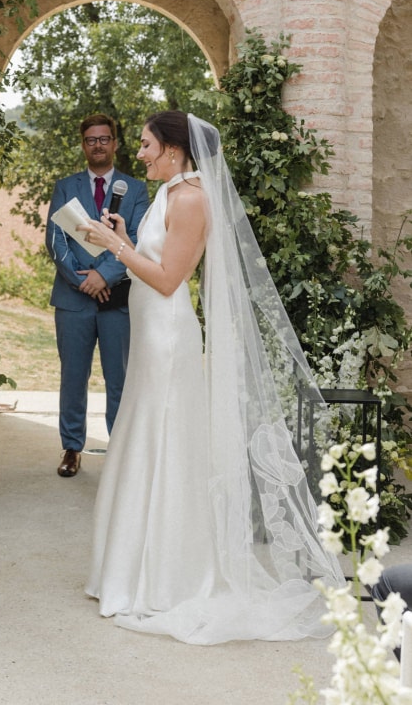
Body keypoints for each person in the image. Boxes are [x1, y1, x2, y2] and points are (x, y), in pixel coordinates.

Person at [79, 110, 345, 643]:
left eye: (148, 145)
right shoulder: (169, 192)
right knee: (144, 438)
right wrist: (127, 237)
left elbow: (168, 279)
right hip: (149, 333)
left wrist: (115, 247)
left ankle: (166, 577)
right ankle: (127, 567)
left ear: (174, 149)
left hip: (168, 336)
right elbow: (151, 258)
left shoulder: (193, 198)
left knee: (166, 441)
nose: (141, 154)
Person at [46, 114, 149, 477]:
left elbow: (137, 239)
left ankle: (119, 451)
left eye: (104, 139)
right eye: (91, 140)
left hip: (116, 299)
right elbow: (55, 240)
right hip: (73, 299)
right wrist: (82, 280)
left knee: (118, 378)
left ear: (115, 143)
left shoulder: (135, 189)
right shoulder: (65, 187)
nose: (98, 145)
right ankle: (71, 448)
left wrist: (104, 275)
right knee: (73, 377)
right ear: (83, 145)